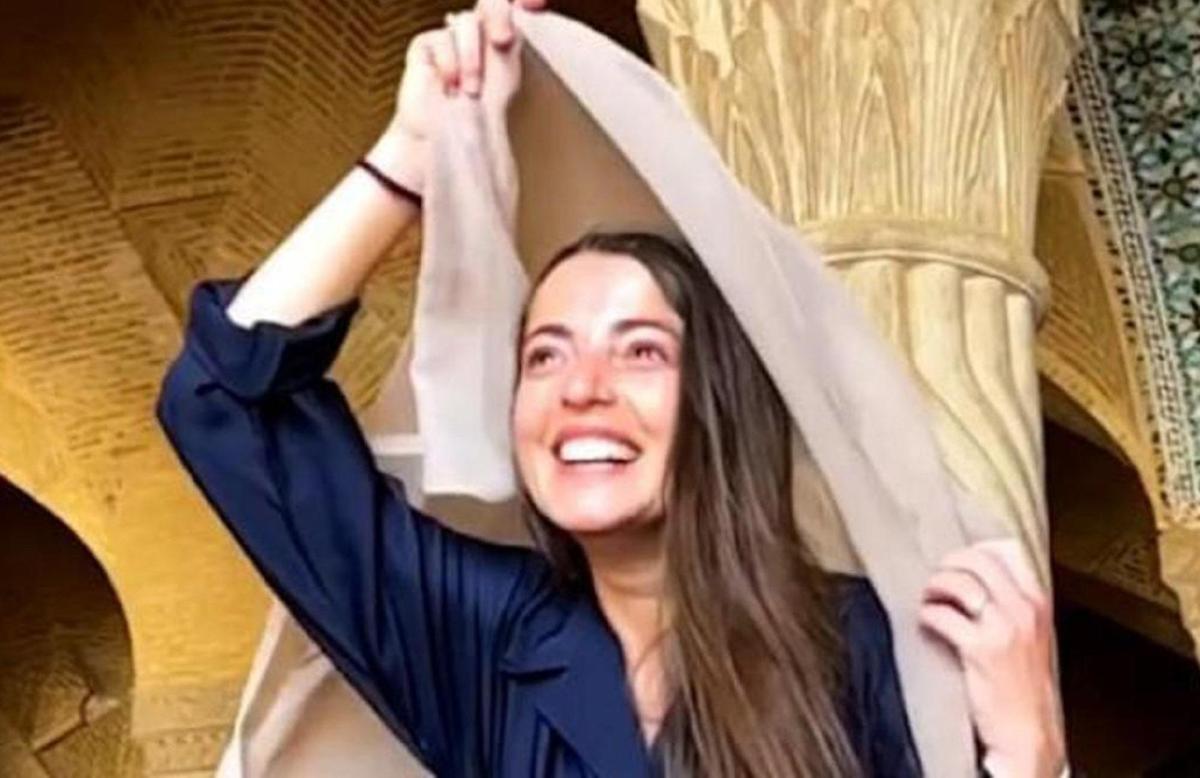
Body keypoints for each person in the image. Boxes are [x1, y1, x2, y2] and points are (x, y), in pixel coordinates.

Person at [157, 1, 1066, 775]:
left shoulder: (859, 646)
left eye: (639, 352)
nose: (581, 388)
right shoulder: (489, 639)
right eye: (545, 356)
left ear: (719, 407)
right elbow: (222, 401)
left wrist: (1033, 756)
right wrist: (410, 154)